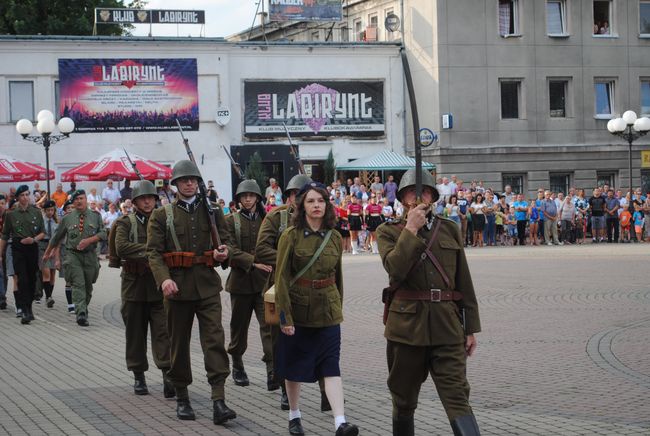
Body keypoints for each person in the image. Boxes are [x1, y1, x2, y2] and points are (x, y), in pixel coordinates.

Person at [376, 168, 481, 436]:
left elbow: (463, 281)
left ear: (433, 196)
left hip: (447, 326)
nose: (419, 196)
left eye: (424, 191)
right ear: (402, 198)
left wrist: (469, 327)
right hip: (406, 328)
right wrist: (411, 228)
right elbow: (395, 269)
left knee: (457, 395)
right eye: (412, 191)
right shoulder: (389, 231)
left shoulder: (449, 229)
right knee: (403, 398)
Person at [147, 160, 236, 425]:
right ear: (174, 184)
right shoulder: (162, 215)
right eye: (184, 180)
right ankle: (182, 397)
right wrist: (163, 280)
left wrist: (225, 252)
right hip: (177, 288)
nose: (189, 183)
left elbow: (227, 240)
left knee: (214, 341)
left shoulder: (212, 210)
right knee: (178, 344)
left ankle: (218, 400)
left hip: (207, 286)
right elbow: (153, 252)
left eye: (193, 179)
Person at [275, 182, 359, 436]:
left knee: (331, 365)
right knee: (293, 367)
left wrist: (338, 308)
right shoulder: (290, 235)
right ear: (302, 206)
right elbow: (281, 279)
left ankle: (340, 422)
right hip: (298, 311)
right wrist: (284, 317)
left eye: (321, 201)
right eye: (311, 201)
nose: (316, 206)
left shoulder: (334, 236)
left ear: (327, 205)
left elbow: (338, 277)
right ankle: (294, 414)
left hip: (328, 312)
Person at [256, 173, 334, 413]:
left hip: (317, 290)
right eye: (297, 196)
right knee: (284, 342)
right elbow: (261, 249)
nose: (302, 202)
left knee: (322, 341)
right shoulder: (276, 217)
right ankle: (284, 391)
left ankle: (325, 394)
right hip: (286, 287)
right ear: (290, 197)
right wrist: (290, 260)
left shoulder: (322, 219)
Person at [114, 181, 174, 399]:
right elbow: (122, 247)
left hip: (158, 286)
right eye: (143, 198)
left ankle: (168, 374)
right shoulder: (125, 222)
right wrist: (151, 251)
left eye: (151, 198)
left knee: (163, 333)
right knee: (135, 334)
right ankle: (139, 376)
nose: (148, 201)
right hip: (134, 287)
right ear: (136, 201)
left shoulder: (163, 221)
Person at [224, 179, 274, 389]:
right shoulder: (230, 221)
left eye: (251, 195)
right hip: (241, 283)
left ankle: (273, 371)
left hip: (265, 285)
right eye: (244, 196)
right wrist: (253, 262)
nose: (247, 199)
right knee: (238, 328)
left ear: (257, 198)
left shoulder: (267, 220)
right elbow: (229, 249)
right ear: (238, 199)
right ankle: (237, 363)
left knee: (270, 328)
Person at [44, 190, 105, 327]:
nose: (78, 201)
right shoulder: (67, 218)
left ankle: (83, 308)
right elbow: (56, 237)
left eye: (81, 198)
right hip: (73, 255)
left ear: (86, 200)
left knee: (88, 286)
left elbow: (103, 233)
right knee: (78, 284)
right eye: (76, 199)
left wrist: (90, 240)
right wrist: (48, 252)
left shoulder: (95, 216)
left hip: (90, 255)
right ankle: (80, 313)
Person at [0, 185, 45, 324]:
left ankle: (29, 307)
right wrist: (0, 254)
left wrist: (34, 239)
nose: (25, 197)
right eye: (22, 195)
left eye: (27, 194)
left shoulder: (36, 212)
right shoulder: (11, 214)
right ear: (18, 198)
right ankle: (24, 309)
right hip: (18, 248)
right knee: (22, 279)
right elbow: (5, 235)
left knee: (32, 279)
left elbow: (43, 232)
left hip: (32, 247)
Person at [38, 200, 58, 307]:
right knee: (46, 272)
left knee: (52, 274)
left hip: (53, 247)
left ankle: (49, 295)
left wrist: (54, 250)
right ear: (44, 211)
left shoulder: (56, 221)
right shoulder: (41, 221)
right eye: (48, 210)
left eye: (52, 210)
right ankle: (48, 297)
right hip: (43, 246)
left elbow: (58, 237)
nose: (50, 212)